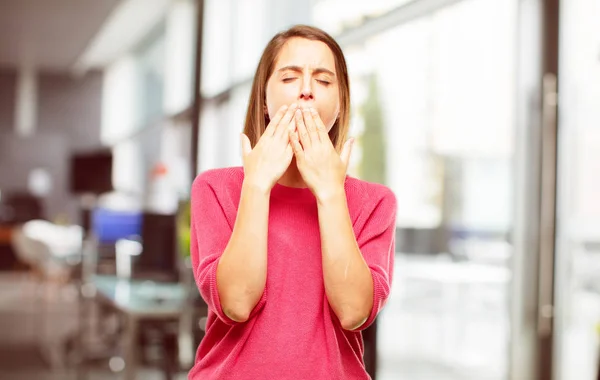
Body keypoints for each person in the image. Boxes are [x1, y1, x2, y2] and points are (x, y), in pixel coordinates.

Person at [188, 25, 397, 380]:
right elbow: (237, 303)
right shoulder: (215, 188)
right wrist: (256, 184)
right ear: (264, 100)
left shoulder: (374, 202)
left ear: (342, 101)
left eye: (324, 81)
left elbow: (353, 311)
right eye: (289, 78)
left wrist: (331, 192)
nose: (306, 91)